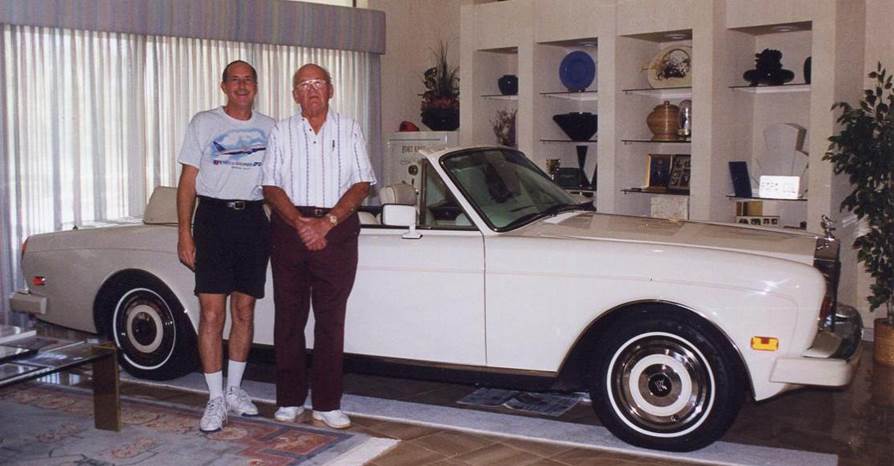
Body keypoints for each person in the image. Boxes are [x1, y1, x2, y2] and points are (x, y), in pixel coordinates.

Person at [261, 63, 376, 429]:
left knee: (330, 319)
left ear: (331, 89)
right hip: (289, 229)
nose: (311, 90)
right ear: (294, 94)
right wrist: (299, 223)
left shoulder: (349, 129)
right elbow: (270, 184)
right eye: (303, 85)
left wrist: (327, 222)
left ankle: (327, 403)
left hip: (337, 229)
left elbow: (362, 183)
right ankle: (290, 399)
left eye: (318, 83)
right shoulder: (281, 131)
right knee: (289, 317)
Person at [176, 60, 275, 433]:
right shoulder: (204, 123)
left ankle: (235, 390)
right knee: (212, 313)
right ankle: (215, 397)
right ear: (223, 86)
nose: (242, 85)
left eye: (248, 79)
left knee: (245, 310)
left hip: (252, 221)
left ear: (256, 86)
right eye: (235, 80)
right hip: (213, 221)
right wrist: (184, 233)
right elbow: (188, 183)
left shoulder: (270, 128)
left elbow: (279, 184)